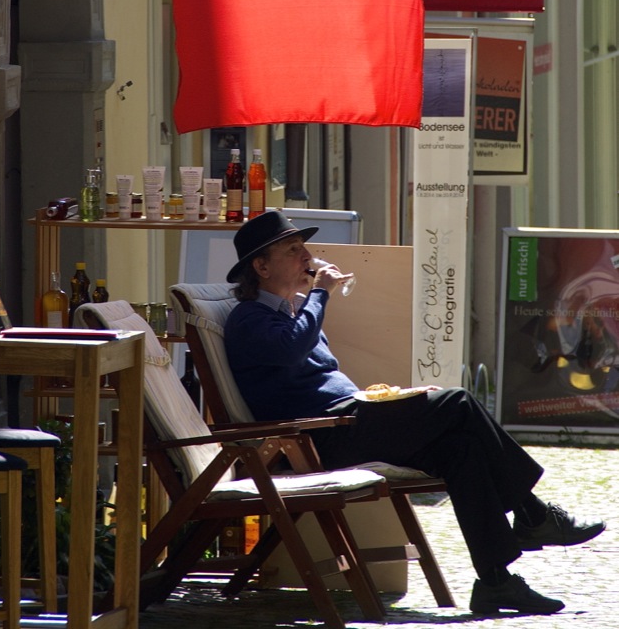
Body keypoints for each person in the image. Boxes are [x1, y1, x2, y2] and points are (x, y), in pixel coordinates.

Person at [224, 211, 606, 616]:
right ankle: (533, 514)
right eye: (293, 249)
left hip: (350, 421)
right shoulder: (249, 318)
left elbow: (313, 367)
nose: (307, 256)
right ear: (261, 267)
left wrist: (402, 399)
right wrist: (320, 294)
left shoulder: (291, 314)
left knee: (460, 448)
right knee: (459, 402)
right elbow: (290, 351)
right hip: (319, 438)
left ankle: (496, 582)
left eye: (304, 247)